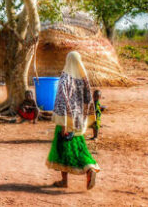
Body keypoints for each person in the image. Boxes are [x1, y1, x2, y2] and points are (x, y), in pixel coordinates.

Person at [46, 51, 100, 190]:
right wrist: (86, 119)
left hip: (66, 123)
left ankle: (64, 181)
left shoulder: (65, 79)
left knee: (62, 151)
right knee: (79, 149)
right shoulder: (83, 80)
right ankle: (90, 169)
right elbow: (88, 100)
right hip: (78, 122)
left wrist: (64, 125)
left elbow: (62, 102)